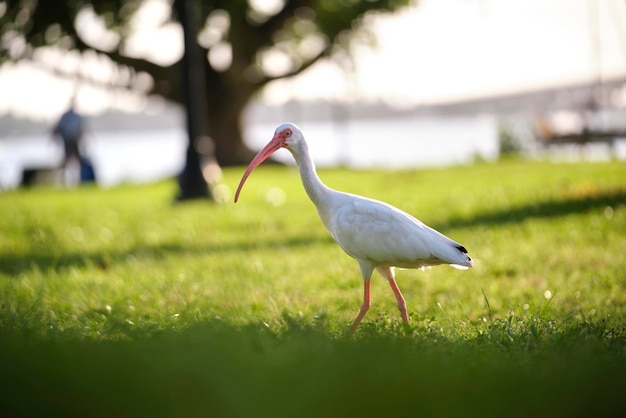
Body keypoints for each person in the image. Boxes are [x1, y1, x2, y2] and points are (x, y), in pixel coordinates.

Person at [52, 98, 94, 185]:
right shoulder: (68, 116)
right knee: (68, 162)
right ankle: (63, 182)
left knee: (77, 162)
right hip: (69, 142)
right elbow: (58, 129)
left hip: (74, 141)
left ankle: (79, 181)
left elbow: (82, 129)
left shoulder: (71, 116)